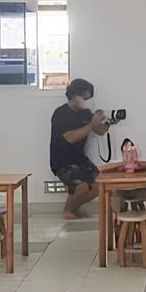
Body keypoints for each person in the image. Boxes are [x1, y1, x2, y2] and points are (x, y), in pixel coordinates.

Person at [48, 78, 111, 220]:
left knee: (100, 183)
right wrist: (92, 124)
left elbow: (99, 131)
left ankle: (74, 209)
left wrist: (106, 123)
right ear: (74, 95)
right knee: (82, 186)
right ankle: (69, 210)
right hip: (62, 161)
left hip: (80, 159)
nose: (86, 102)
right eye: (84, 98)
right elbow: (71, 137)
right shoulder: (61, 113)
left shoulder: (86, 113)